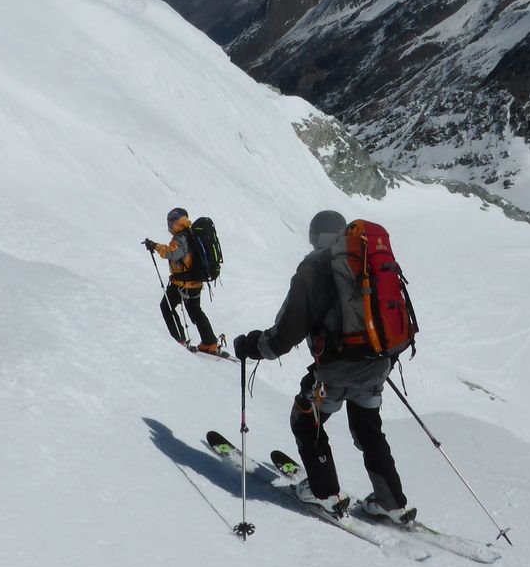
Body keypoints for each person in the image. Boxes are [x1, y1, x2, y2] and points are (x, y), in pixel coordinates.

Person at [234, 210, 413, 523]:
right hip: (377, 365)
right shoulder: (367, 260)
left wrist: (251, 345)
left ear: (315, 237)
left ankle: (325, 493)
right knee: (368, 429)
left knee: (306, 420)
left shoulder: (314, 267)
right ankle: (392, 502)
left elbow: (285, 334)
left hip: (334, 370)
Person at [144, 207, 220, 355]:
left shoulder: (180, 237)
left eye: (171, 222)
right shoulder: (190, 234)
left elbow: (173, 253)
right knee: (195, 310)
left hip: (182, 283)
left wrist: (155, 246)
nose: (169, 225)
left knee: (167, 306)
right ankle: (209, 343)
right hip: (195, 282)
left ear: (178, 223)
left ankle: (179, 340)